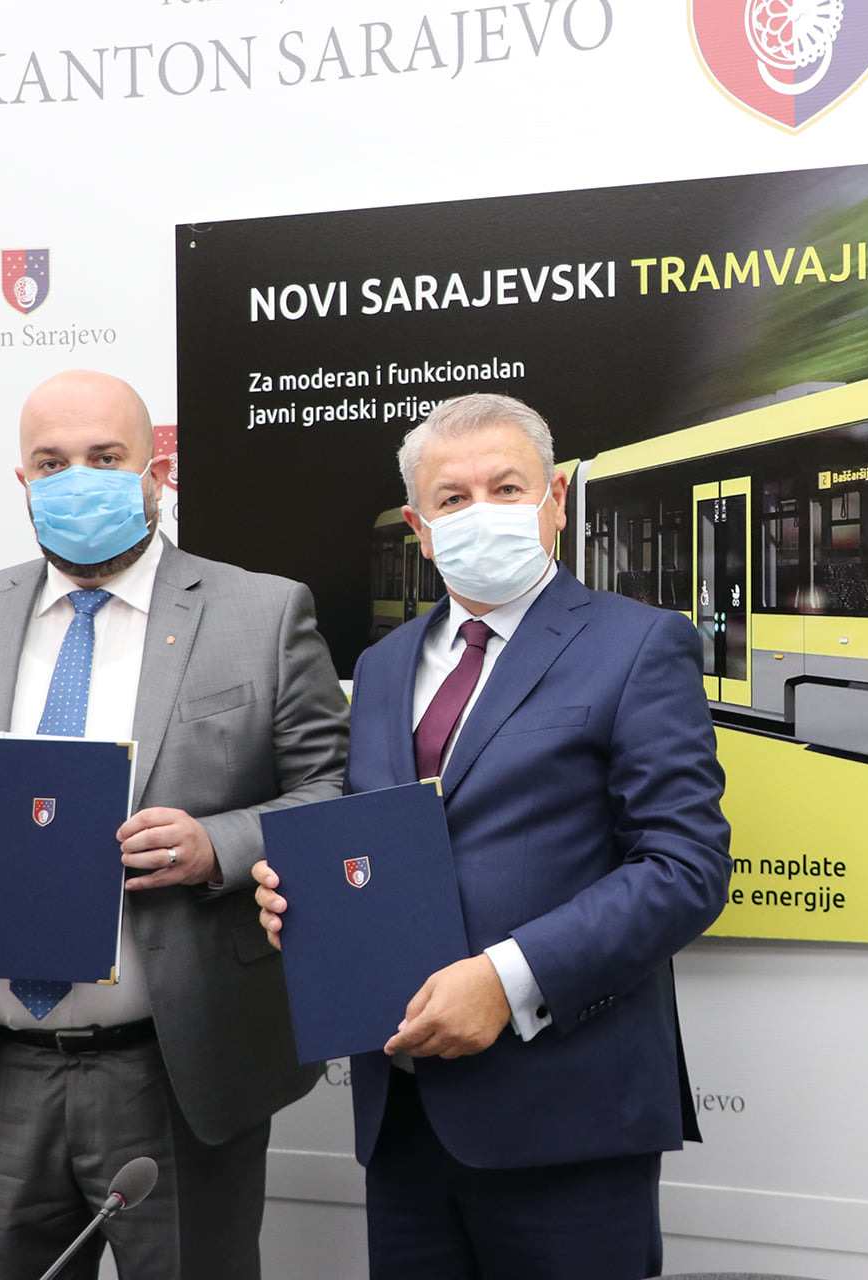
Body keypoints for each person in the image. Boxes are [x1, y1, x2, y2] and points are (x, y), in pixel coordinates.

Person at [0, 370, 349, 1280]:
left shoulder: (263, 612)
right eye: (51, 462)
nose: (78, 480)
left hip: (178, 1073)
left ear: (157, 470)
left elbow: (332, 792)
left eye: (106, 458)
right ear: (23, 481)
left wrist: (217, 846)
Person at [254, 392, 731, 1279]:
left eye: (506, 488)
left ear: (555, 500)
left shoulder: (639, 645)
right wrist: (307, 904)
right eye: (453, 498)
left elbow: (685, 867)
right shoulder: (382, 666)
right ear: (420, 529)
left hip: (567, 1123)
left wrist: (508, 982)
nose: (483, 512)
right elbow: (380, 847)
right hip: (402, 1120)